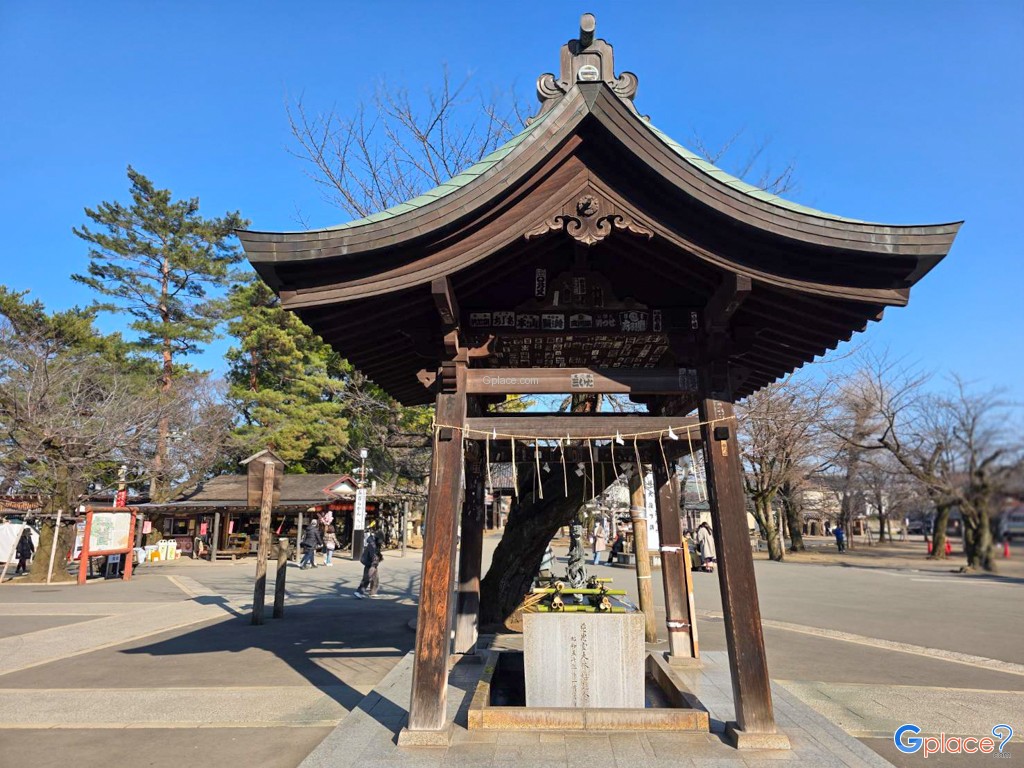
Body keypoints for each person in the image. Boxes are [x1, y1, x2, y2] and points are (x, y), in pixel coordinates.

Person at [354, 525, 383, 598]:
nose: (382, 542)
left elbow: (376, 554)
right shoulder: (372, 545)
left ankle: (373, 592)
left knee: (375, 578)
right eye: (381, 540)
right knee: (367, 578)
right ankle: (359, 592)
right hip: (370, 564)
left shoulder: (376, 544)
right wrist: (375, 562)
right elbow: (373, 555)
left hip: (373, 564)